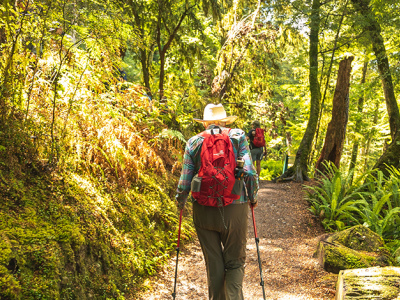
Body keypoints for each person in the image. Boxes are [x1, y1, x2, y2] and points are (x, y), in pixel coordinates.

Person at [176, 103, 259, 300]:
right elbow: (248, 172)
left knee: (214, 264)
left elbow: (185, 181)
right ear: (224, 120)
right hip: (235, 206)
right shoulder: (238, 137)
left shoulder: (194, 141)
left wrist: (181, 202)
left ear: (205, 122)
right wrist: (253, 197)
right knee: (235, 262)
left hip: (203, 211)